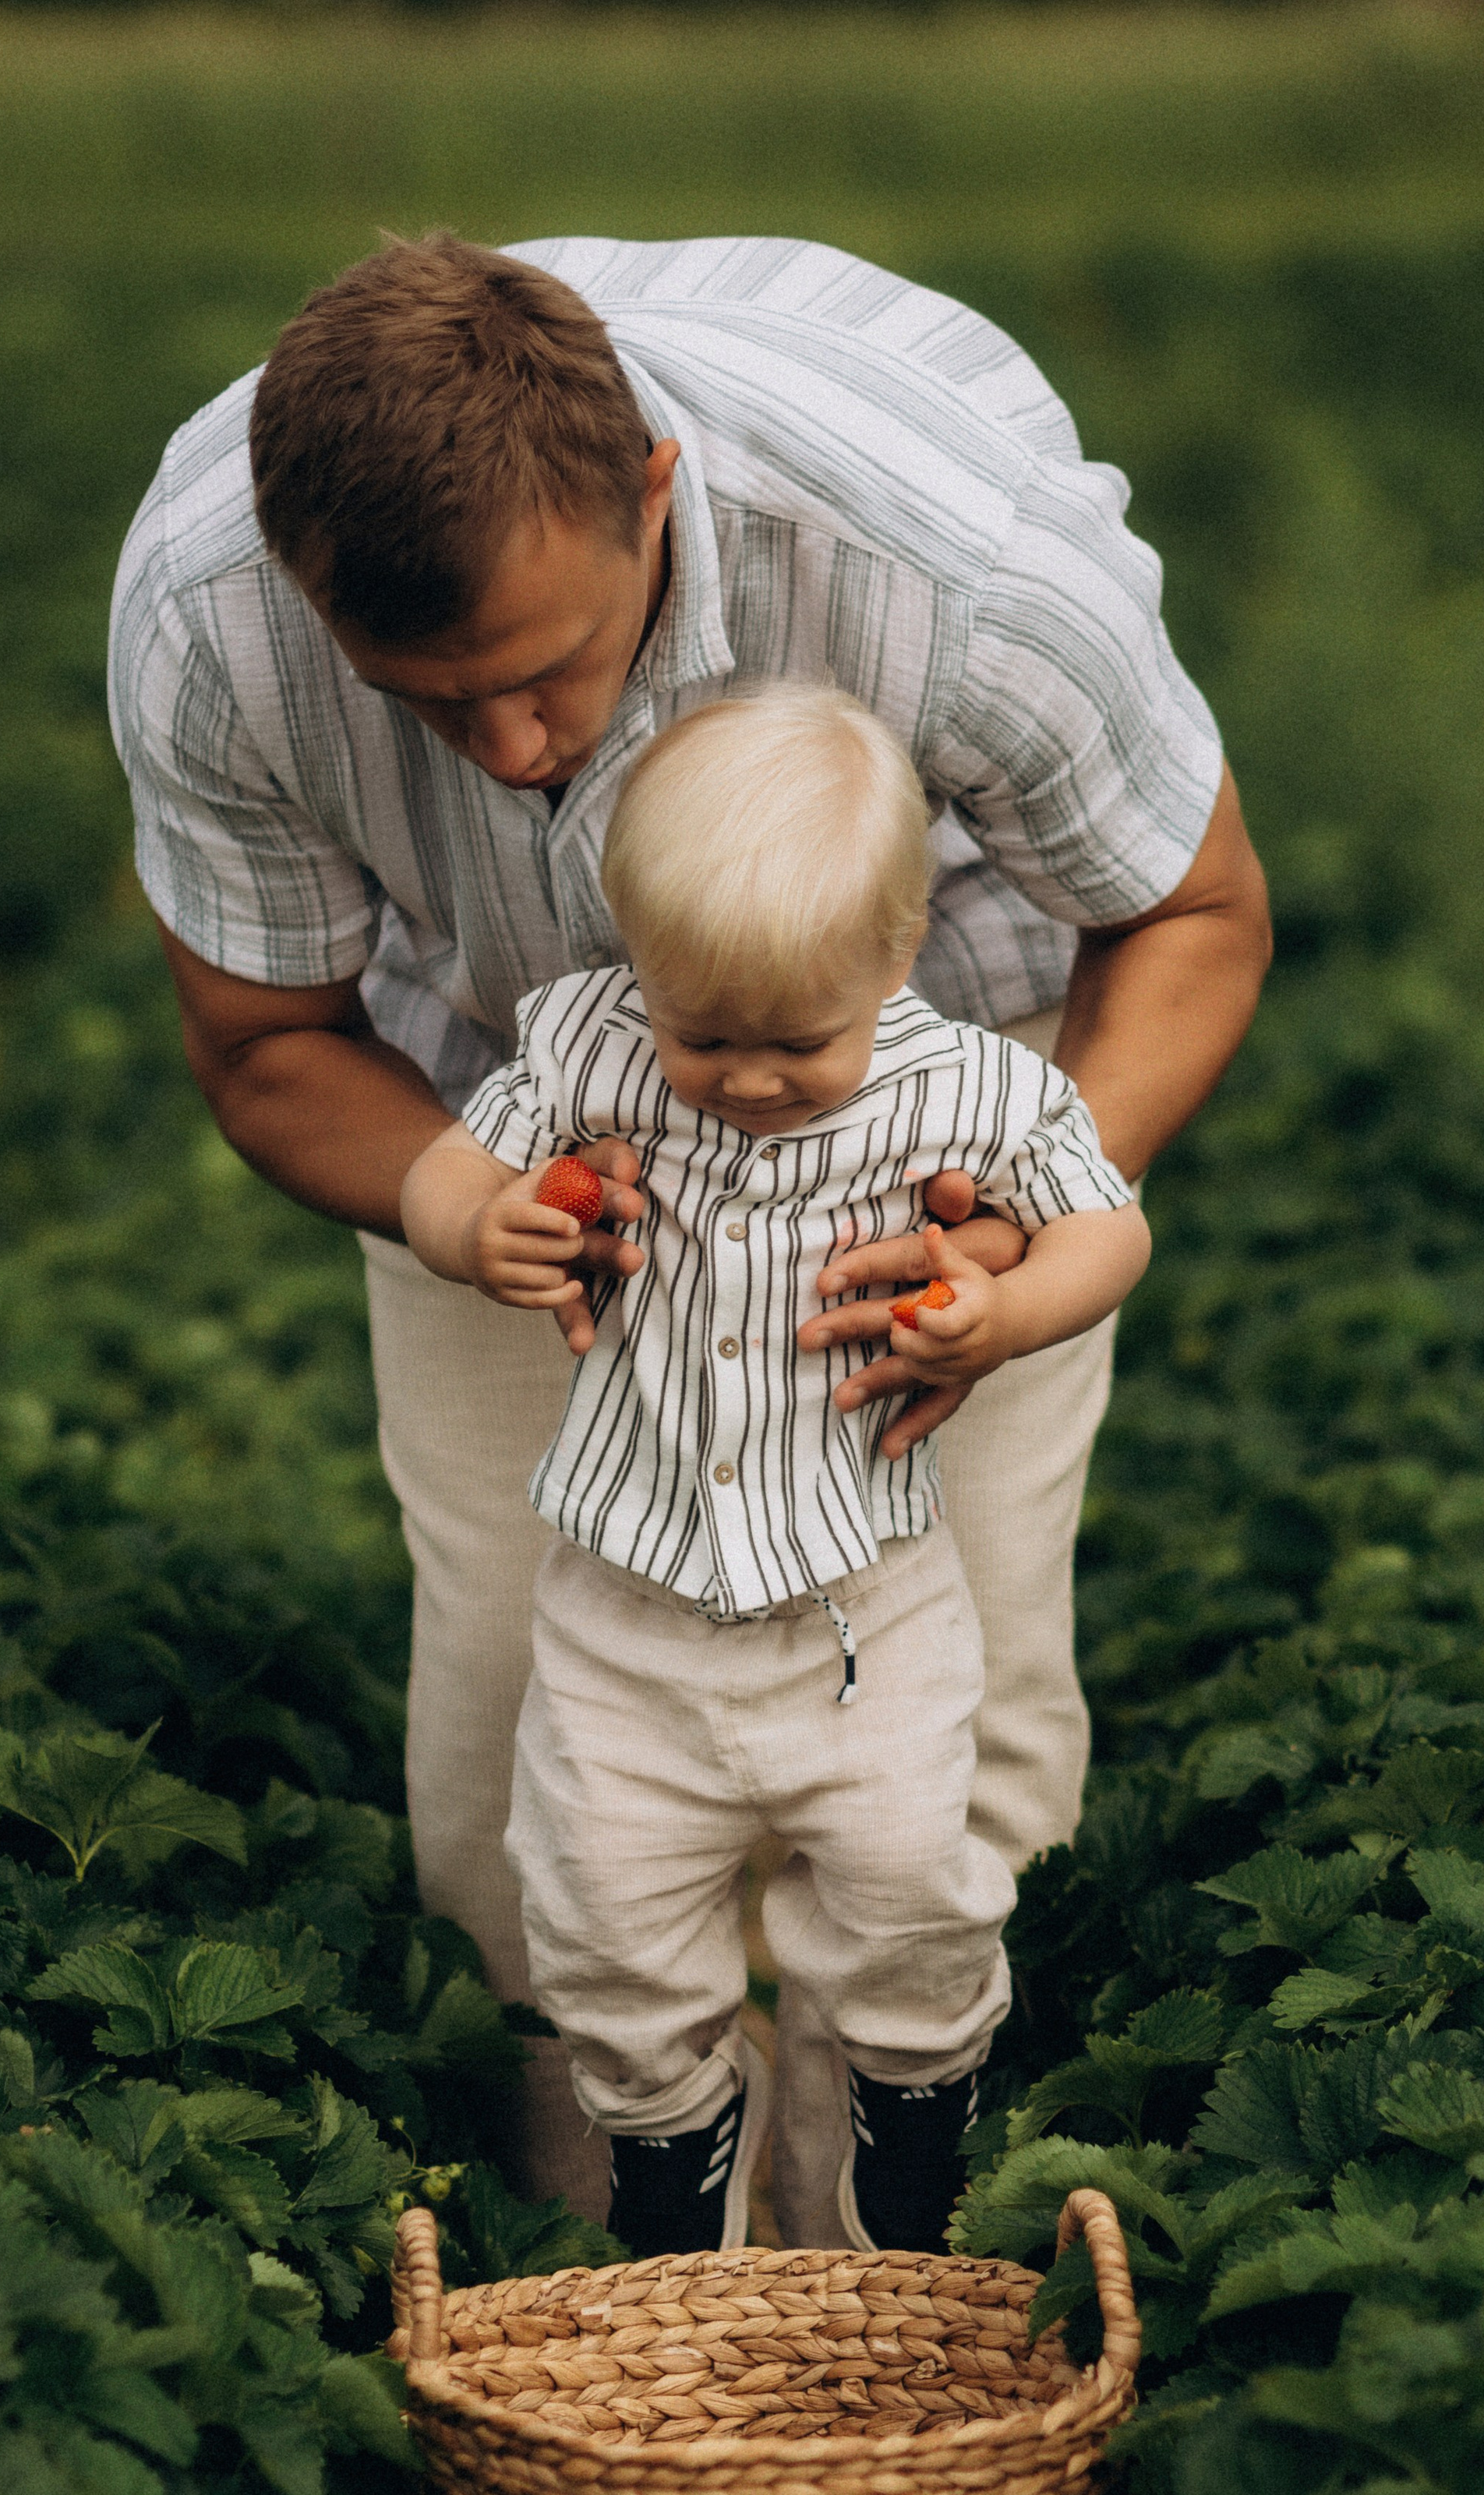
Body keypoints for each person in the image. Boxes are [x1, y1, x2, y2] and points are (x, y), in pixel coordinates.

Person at [108, 231, 1270, 2239]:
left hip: (930, 1075)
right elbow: (267, 1039)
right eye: (425, 701)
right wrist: (461, 1201)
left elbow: (1191, 912)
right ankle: (613, 2255)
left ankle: (888, 2242)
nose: (509, 751)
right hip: (505, 1105)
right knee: (513, 1703)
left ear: (654, 492)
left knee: (960, 1688)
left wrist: (1009, 1238)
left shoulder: (956, 574)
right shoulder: (211, 626)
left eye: (543, 671)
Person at [400, 688, 1150, 2253]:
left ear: (894, 953)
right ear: (636, 963)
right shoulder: (586, 1041)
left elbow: (1106, 1223)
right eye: (703, 1036)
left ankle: (895, 2141)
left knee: (913, 1897)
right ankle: (674, 2148)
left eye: (796, 1041)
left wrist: (1008, 1309)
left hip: (863, 1611)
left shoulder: (969, 1085)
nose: (745, 1077)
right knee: (602, 1911)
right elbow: (452, 1165)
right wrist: (474, 1226)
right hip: (626, 1616)